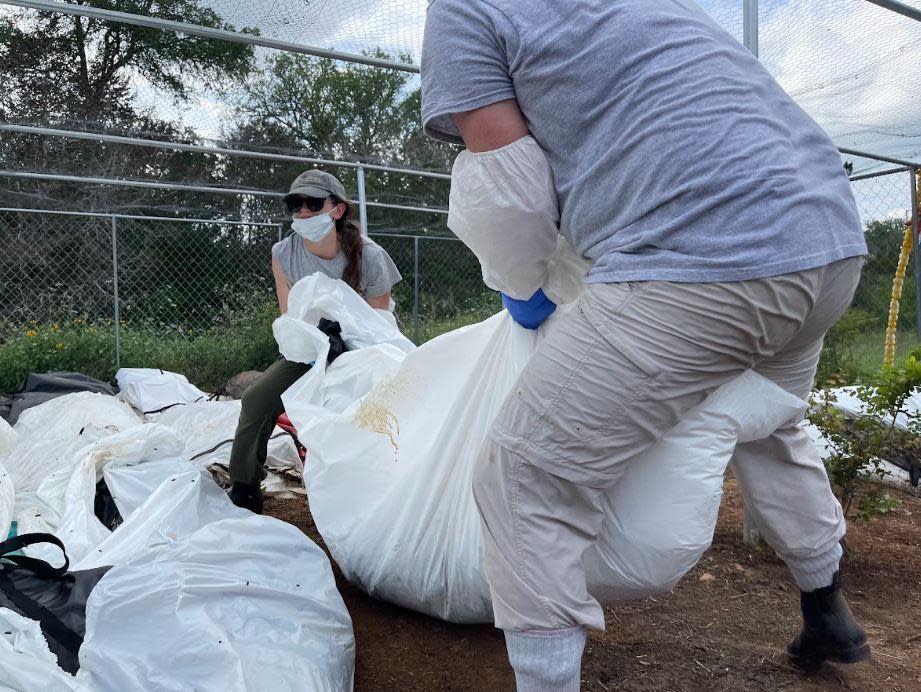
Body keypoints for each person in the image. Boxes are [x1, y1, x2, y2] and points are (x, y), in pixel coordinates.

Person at [421, 1, 870, 689]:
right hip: (829, 247)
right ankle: (825, 607)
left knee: (525, 477)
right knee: (770, 420)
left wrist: (521, 278)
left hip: (705, 257)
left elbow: (508, 184)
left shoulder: (467, 7)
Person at [227, 169, 401, 513]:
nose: (303, 212)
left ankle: (389, 491)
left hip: (365, 352)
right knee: (256, 401)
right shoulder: (284, 253)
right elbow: (290, 318)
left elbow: (379, 323)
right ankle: (245, 487)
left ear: (337, 210)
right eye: (295, 204)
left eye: (313, 203)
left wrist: (344, 347)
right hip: (309, 349)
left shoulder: (370, 255)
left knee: (382, 414)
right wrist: (317, 348)